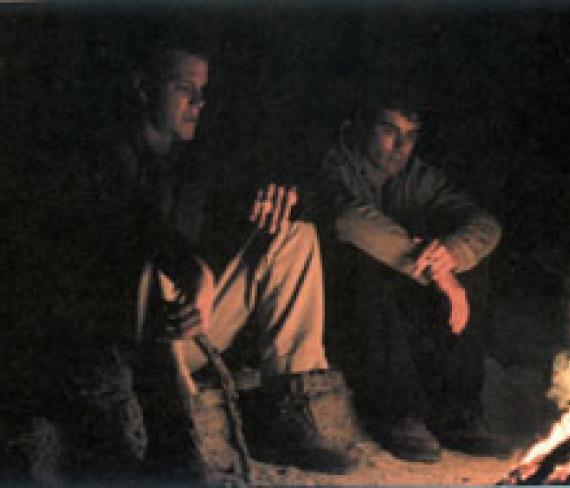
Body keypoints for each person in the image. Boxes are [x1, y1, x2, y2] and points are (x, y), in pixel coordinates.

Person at [55, 28, 360, 480]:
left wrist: (285, 193)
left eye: (203, 90)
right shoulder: (100, 154)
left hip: (188, 327)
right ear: (143, 87)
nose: (198, 102)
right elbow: (132, 223)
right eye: (184, 88)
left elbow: (294, 190)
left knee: (295, 235)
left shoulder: (197, 155)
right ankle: (175, 437)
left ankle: (288, 408)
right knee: (148, 271)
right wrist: (193, 270)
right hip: (125, 349)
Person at [320, 89, 510, 462]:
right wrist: (435, 274)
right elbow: (348, 219)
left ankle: (458, 412)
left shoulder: (416, 177)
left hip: (401, 308)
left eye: (410, 135)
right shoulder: (333, 166)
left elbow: (485, 224)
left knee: (469, 264)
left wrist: (451, 255)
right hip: (337, 309)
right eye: (389, 131)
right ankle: (398, 413)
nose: (401, 146)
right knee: (366, 264)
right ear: (358, 128)